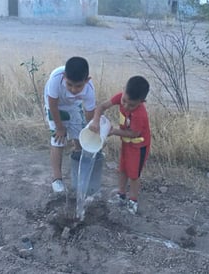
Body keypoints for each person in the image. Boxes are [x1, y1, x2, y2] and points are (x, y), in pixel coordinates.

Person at [89, 76, 150, 214]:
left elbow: (134, 134)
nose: (126, 106)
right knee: (122, 168)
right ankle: (121, 195)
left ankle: (133, 200)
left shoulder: (140, 114)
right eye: (124, 101)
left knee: (134, 174)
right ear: (123, 91)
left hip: (138, 146)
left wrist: (114, 131)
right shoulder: (121, 97)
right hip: (126, 143)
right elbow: (102, 106)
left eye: (131, 105)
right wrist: (95, 121)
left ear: (141, 102)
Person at [44, 56, 96, 193]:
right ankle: (57, 179)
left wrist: (91, 134)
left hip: (74, 104)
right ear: (64, 77)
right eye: (69, 85)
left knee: (80, 135)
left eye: (78, 86)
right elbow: (53, 105)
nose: (73, 89)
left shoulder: (89, 89)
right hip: (55, 104)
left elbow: (90, 113)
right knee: (57, 140)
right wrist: (60, 128)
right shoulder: (56, 79)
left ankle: (79, 170)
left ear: (87, 80)